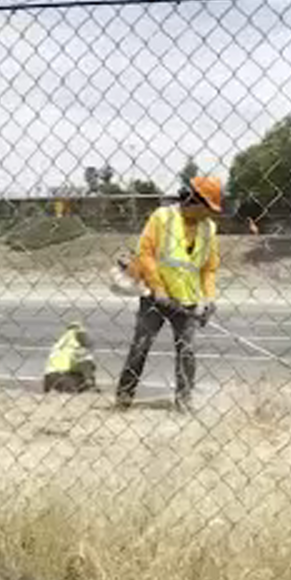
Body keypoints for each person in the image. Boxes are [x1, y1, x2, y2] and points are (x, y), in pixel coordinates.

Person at [114, 175, 224, 411]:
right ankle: (124, 395)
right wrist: (159, 288)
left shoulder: (209, 229)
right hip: (156, 298)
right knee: (141, 345)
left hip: (187, 301)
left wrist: (209, 298)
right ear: (194, 201)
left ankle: (184, 400)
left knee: (187, 350)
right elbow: (145, 253)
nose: (211, 214)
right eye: (208, 208)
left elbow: (209, 268)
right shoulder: (162, 217)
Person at [43, 321, 99, 394]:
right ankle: (88, 387)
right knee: (87, 365)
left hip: (49, 379)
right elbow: (85, 362)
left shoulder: (60, 343)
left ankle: (56, 389)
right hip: (63, 377)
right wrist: (90, 379)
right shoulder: (77, 346)